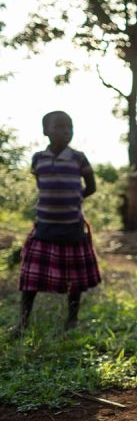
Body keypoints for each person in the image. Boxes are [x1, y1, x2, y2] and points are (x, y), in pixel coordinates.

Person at [12, 111, 101, 337]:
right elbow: (42, 185)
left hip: (72, 228)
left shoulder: (79, 158)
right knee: (30, 278)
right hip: (44, 228)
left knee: (75, 280)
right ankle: (23, 323)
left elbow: (91, 187)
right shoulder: (38, 159)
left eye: (69, 127)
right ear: (46, 131)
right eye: (59, 127)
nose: (66, 131)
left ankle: (72, 320)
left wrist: (74, 199)